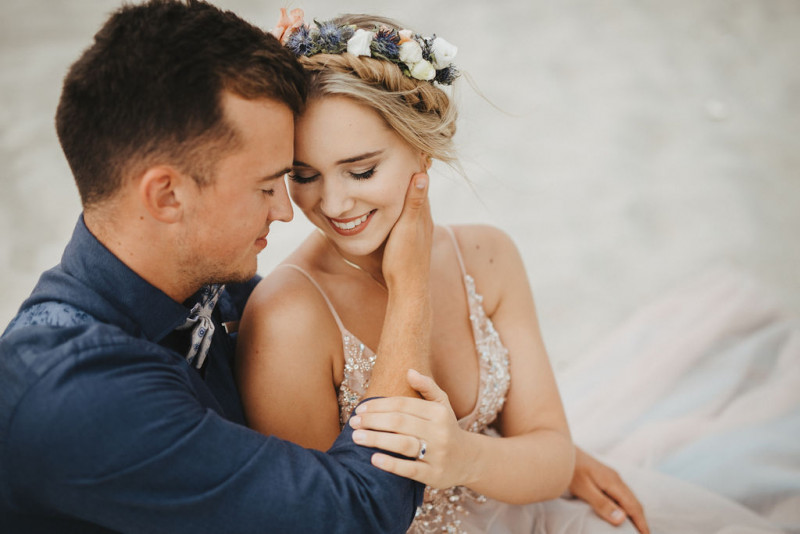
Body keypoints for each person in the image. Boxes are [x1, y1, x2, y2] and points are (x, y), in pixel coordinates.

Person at [237, 12, 786, 534]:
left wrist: (467, 458)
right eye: (303, 174)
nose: (333, 203)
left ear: (421, 148)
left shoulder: (487, 256)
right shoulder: (288, 318)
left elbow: (551, 453)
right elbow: (324, 520)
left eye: (362, 170)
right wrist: (410, 289)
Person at [0, 2, 442, 532]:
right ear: (166, 195)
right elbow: (357, 513)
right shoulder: (79, 393)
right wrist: (412, 285)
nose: (285, 210)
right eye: (264, 185)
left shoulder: (208, 290)